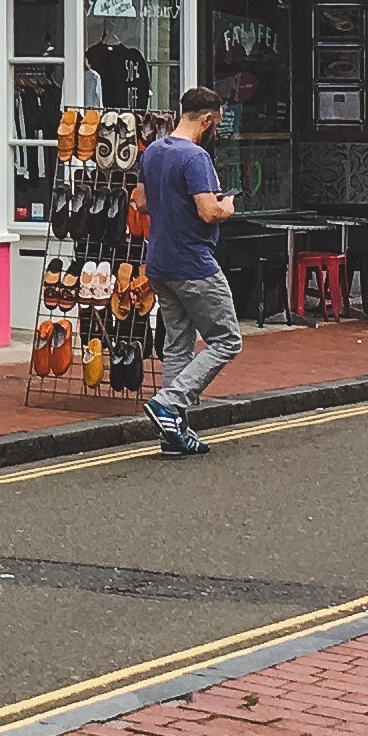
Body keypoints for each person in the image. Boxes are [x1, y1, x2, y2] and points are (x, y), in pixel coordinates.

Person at [139, 83, 244, 458]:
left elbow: (140, 202)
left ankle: (174, 434)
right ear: (206, 119)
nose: (215, 130)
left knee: (178, 344)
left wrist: (171, 205)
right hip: (193, 263)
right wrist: (226, 206)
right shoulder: (195, 157)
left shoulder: (153, 151)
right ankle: (169, 403)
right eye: (214, 123)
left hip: (159, 262)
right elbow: (208, 211)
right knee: (228, 340)